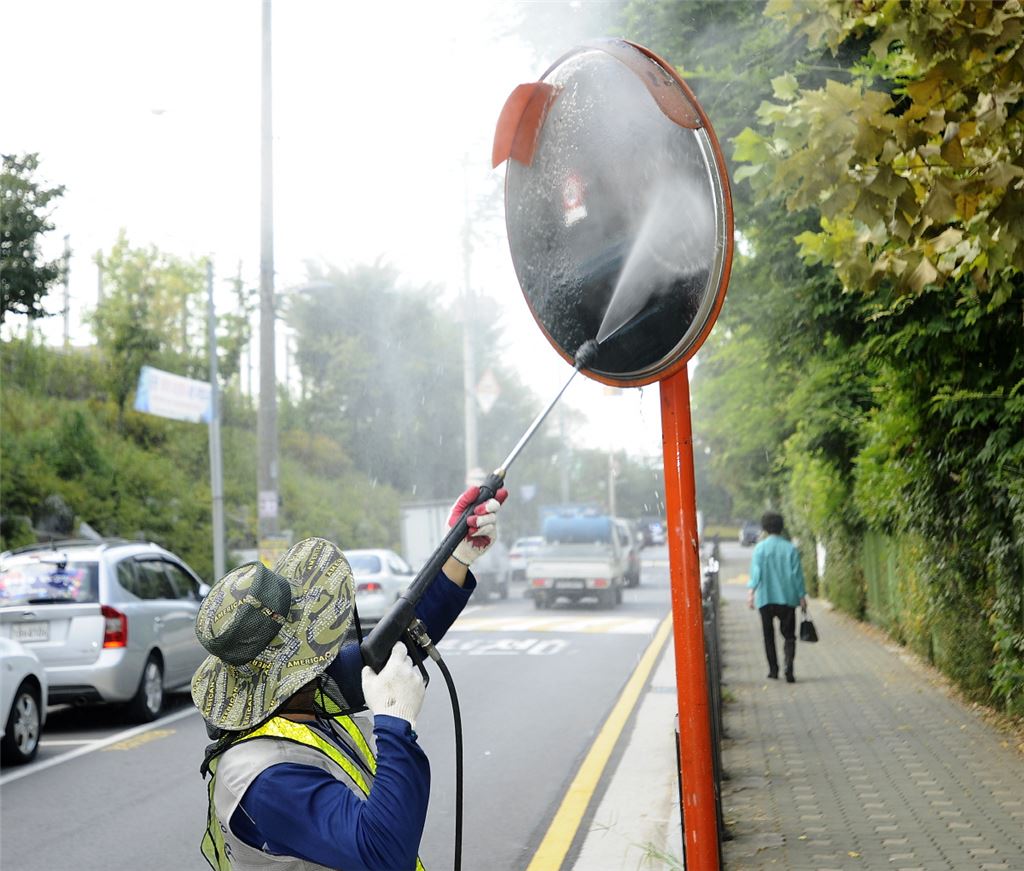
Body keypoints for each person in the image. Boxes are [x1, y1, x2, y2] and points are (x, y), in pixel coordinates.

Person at [192, 484, 507, 871]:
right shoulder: (264, 780)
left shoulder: (295, 697)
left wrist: (455, 556)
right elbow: (383, 855)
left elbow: (396, 644)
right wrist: (395, 725)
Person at [746, 511, 807, 683]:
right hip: (787, 599)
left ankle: (773, 670)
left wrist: (751, 593)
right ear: (781, 527)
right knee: (789, 635)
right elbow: (797, 575)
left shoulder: (760, 549)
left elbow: (756, 574)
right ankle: (789, 667)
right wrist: (802, 596)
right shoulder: (790, 549)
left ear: (764, 528)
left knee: (768, 635)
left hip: (765, 598)